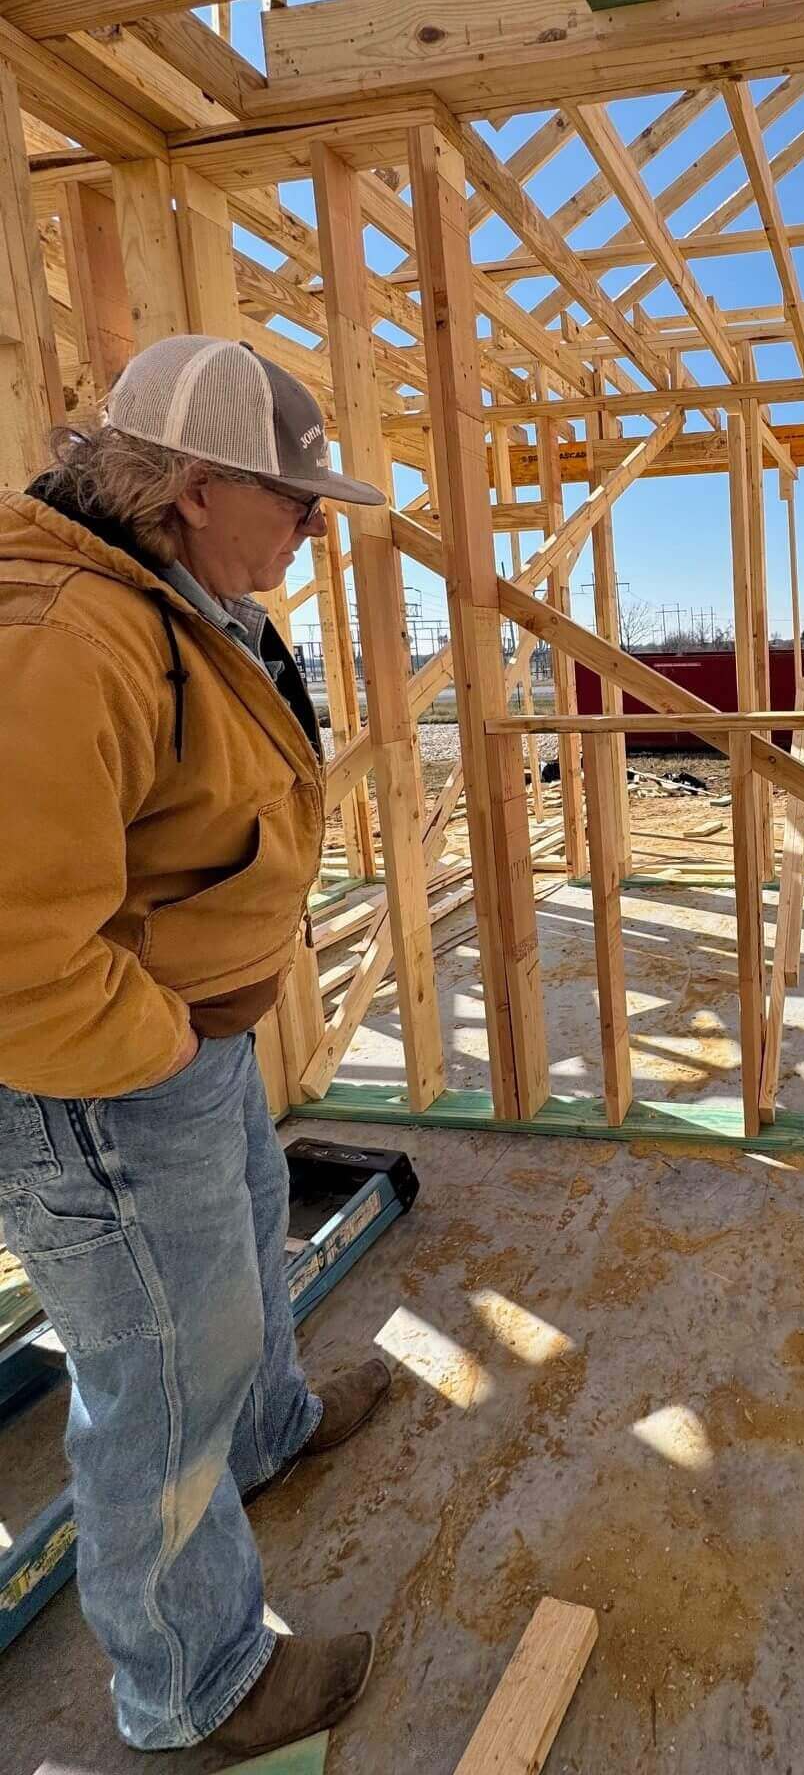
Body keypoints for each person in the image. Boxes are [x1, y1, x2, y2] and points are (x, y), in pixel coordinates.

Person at [0, 336, 397, 1756]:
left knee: (233, 1284)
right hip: (104, 1079)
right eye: (291, 496)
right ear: (189, 485)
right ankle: (191, 1684)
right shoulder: (63, 637)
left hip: (182, 1041)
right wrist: (157, 1045)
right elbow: (13, 948)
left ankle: (271, 1425)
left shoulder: (181, 594)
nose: (313, 521)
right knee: (158, 1374)